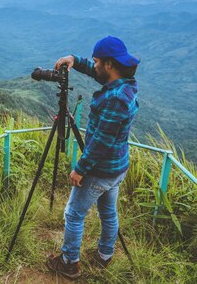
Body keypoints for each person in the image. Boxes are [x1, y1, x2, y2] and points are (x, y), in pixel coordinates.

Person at [46, 36, 140, 279]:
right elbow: (98, 74)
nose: (94, 64)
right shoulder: (124, 85)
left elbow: (101, 143)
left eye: (97, 61)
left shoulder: (115, 100)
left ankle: (69, 263)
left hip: (100, 169)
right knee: (108, 212)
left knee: (74, 213)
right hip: (117, 168)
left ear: (109, 64)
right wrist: (74, 61)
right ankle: (104, 256)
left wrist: (80, 169)